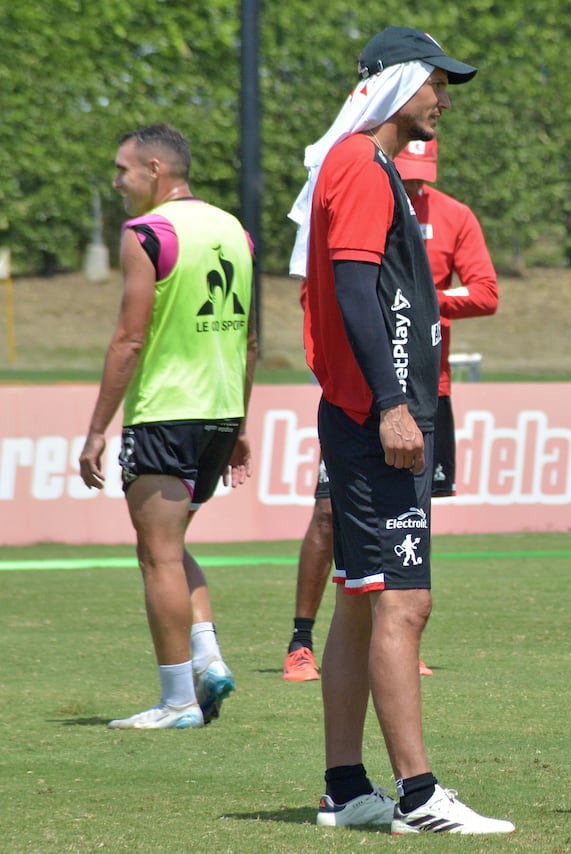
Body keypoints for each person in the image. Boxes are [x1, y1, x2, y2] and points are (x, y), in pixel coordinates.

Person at [288, 25, 513, 835]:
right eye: (435, 82)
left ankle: (346, 789)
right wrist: (391, 404)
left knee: (361, 601)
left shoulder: (360, 162)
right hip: (374, 418)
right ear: (393, 84)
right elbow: (354, 292)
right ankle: (418, 797)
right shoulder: (360, 164)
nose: (444, 98)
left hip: (366, 414)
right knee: (405, 603)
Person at [283, 137, 499, 684]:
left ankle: (396, 640)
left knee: (409, 520)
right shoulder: (364, 188)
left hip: (426, 394)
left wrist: (425, 299)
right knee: (328, 514)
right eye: (408, 170)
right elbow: (329, 291)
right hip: (361, 400)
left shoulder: (454, 215)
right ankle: (300, 641)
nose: (415, 182)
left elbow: (486, 292)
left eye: (424, 174)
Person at [79, 123, 255, 730]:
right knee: (169, 548)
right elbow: (249, 340)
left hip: (165, 413)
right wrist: (240, 423)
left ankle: (179, 700)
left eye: (122, 169)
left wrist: (96, 429)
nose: (117, 182)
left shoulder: (147, 233)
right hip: (219, 414)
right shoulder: (235, 230)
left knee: (157, 557)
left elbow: (130, 339)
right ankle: (207, 660)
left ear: (154, 169)